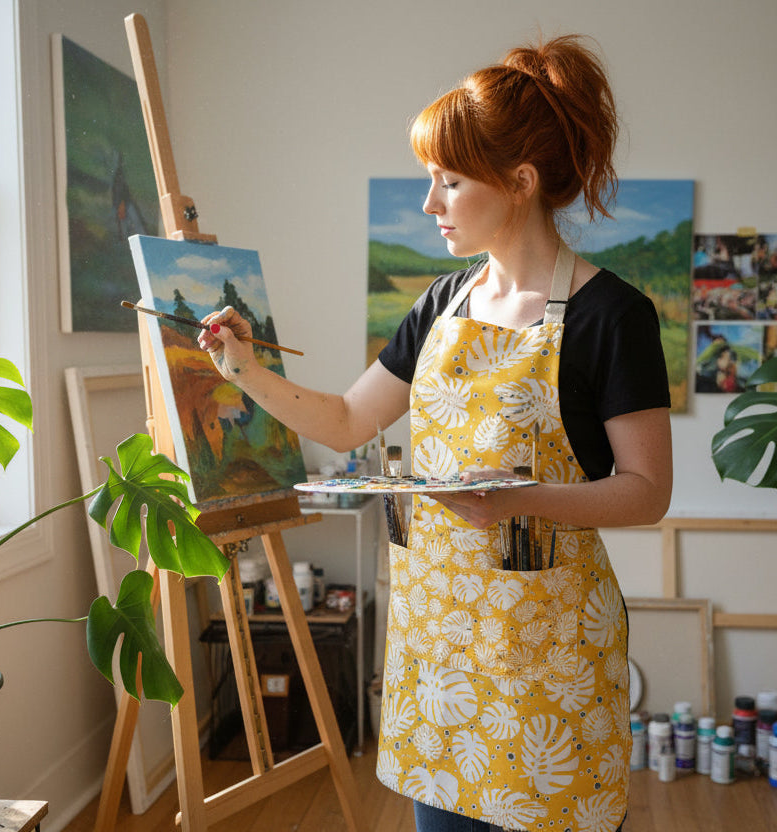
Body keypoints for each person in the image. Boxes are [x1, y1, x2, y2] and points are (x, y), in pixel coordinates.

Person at [198, 33, 672, 832]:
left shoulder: (611, 316)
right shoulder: (441, 306)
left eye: (449, 181)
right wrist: (242, 366)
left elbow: (646, 492)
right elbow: (348, 421)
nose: (430, 204)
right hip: (440, 654)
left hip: (546, 660)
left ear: (519, 182)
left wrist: (524, 499)